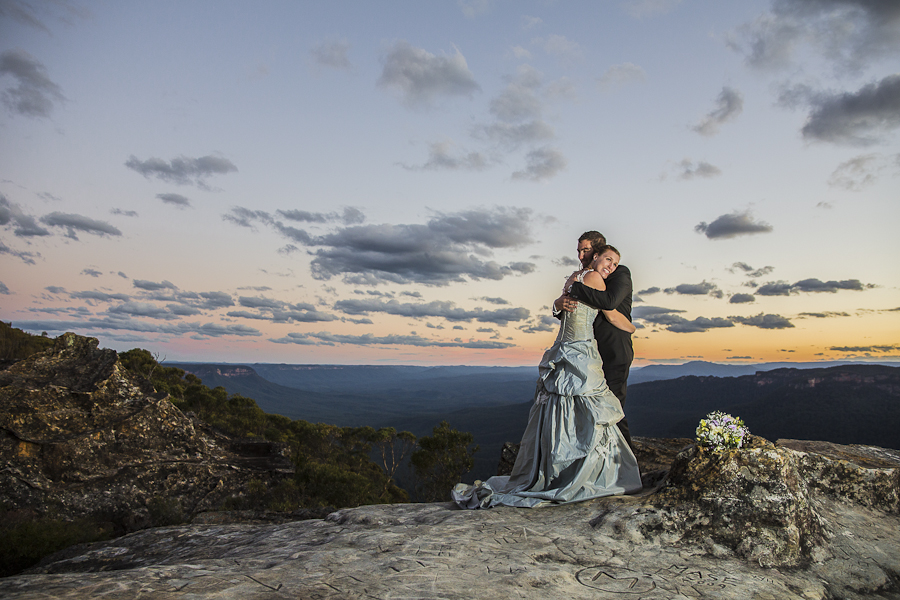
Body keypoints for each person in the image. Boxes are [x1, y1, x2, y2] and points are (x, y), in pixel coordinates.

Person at [451, 246, 642, 508]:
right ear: (597, 257)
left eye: (615, 262)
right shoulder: (594, 279)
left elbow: (571, 309)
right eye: (608, 259)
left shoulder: (576, 277)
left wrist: (558, 301)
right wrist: (633, 327)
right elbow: (609, 310)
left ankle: (552, 467)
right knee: (588, 408)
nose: (612, 266)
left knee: (562, 406)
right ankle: (584, 470)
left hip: (565, 348)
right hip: (581, 349)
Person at [554, 231, 635, 450]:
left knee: (612, 407)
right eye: (579, 250)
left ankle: (625, 464)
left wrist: (574, 286)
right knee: (587, 406)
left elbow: (609, 303)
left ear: (597, 252)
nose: (581, 256)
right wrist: (557, 304)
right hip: (586, 349)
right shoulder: (581, 275)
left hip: (614, 348)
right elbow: (569, 312)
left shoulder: (619, 273)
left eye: (586, 250)